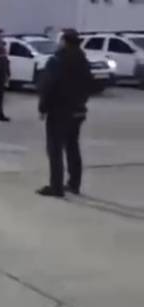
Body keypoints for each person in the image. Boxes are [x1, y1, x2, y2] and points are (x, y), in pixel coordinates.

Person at [36, 29, 94, 198]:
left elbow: (48, 86)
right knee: (72, 146)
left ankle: (56, 187)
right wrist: (81, 102)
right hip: (78, 110)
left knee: (55, 149)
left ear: (64, 41)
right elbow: (91, 84)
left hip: (59, 111)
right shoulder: (83, 60)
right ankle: (74, 183)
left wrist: (42, 108)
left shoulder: (57, 60)